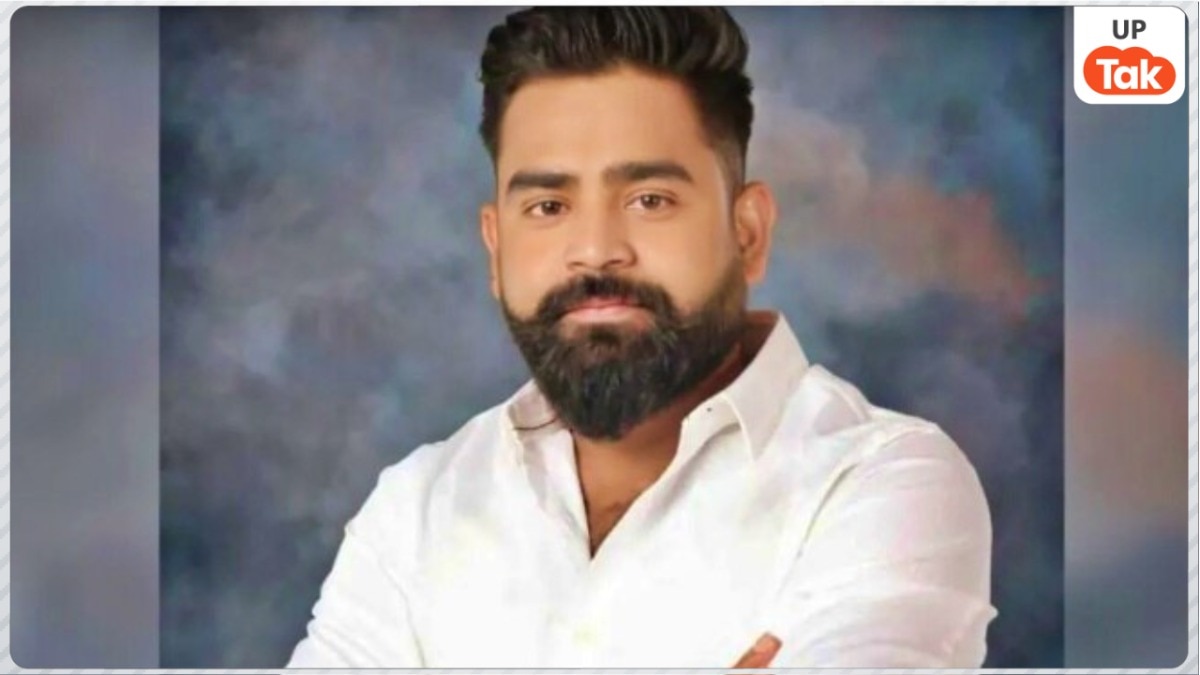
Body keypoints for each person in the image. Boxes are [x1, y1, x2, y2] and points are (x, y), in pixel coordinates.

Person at [287, 7, 996, 668]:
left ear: (747, 233)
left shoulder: (883, 483)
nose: (596, 250)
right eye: (549, 205)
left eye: (649, 200)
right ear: (496, 249)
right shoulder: (413, 510)